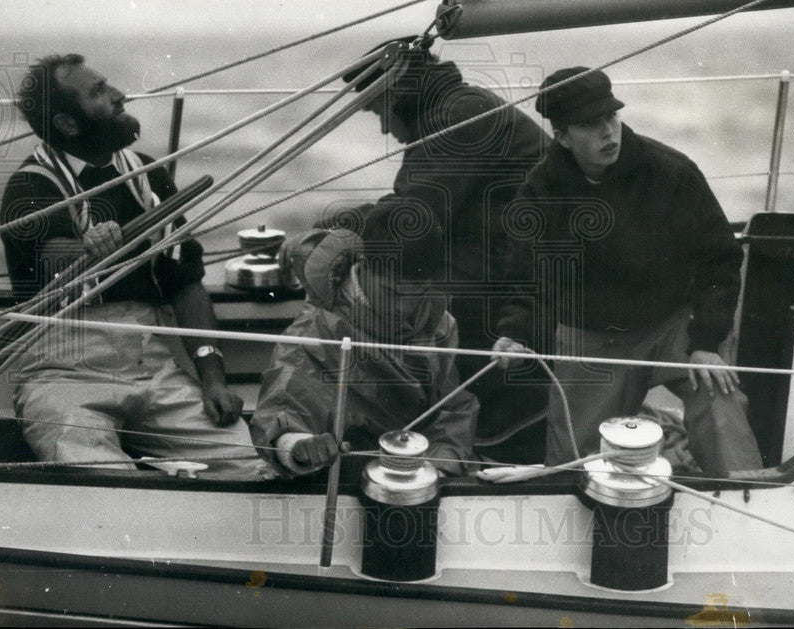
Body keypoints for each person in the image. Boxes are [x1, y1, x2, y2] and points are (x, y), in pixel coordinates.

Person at [0, 53, 272, 478]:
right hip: (64, 369)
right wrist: (87, 248)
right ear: (69, 124)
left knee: (246, 466)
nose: (119, 95)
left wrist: (213, 378)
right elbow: (50, 259)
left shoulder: (149, 176)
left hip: (151, 365)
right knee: (98, 476)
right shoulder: (31, 184)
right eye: (99, 92)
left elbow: (185, 283)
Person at [492, 67, 763, 475]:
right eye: (589, 124)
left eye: (611, 117)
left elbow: (720, 258)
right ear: (563, 137)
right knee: (571, 467)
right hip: (593, 335)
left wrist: (706, 341)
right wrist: (515, 332)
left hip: (672, 326)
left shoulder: (672, 172)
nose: (608, 132)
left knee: (717, 394)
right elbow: (528, 276)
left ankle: (747, 498)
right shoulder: (541, 189)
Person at [336, 36, 549, 459]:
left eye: (378, 111)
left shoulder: (457, 116)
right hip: (511, 258)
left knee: (392, 298)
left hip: (529, 276)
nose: (384, 129)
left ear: (397, 93)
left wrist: (338, 227)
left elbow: (411, 222)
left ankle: (461, 435)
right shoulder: (453, 108)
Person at [249, 201, 478, 476]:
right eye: (391, 293)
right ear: (363, 265)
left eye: (416, 292)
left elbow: (452, 407)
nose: (403, 308)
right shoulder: (317, 326)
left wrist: (438, 465)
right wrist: (295, 446)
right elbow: (284, 397)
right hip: (335, 471)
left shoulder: (440, 323)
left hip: (416, 471)